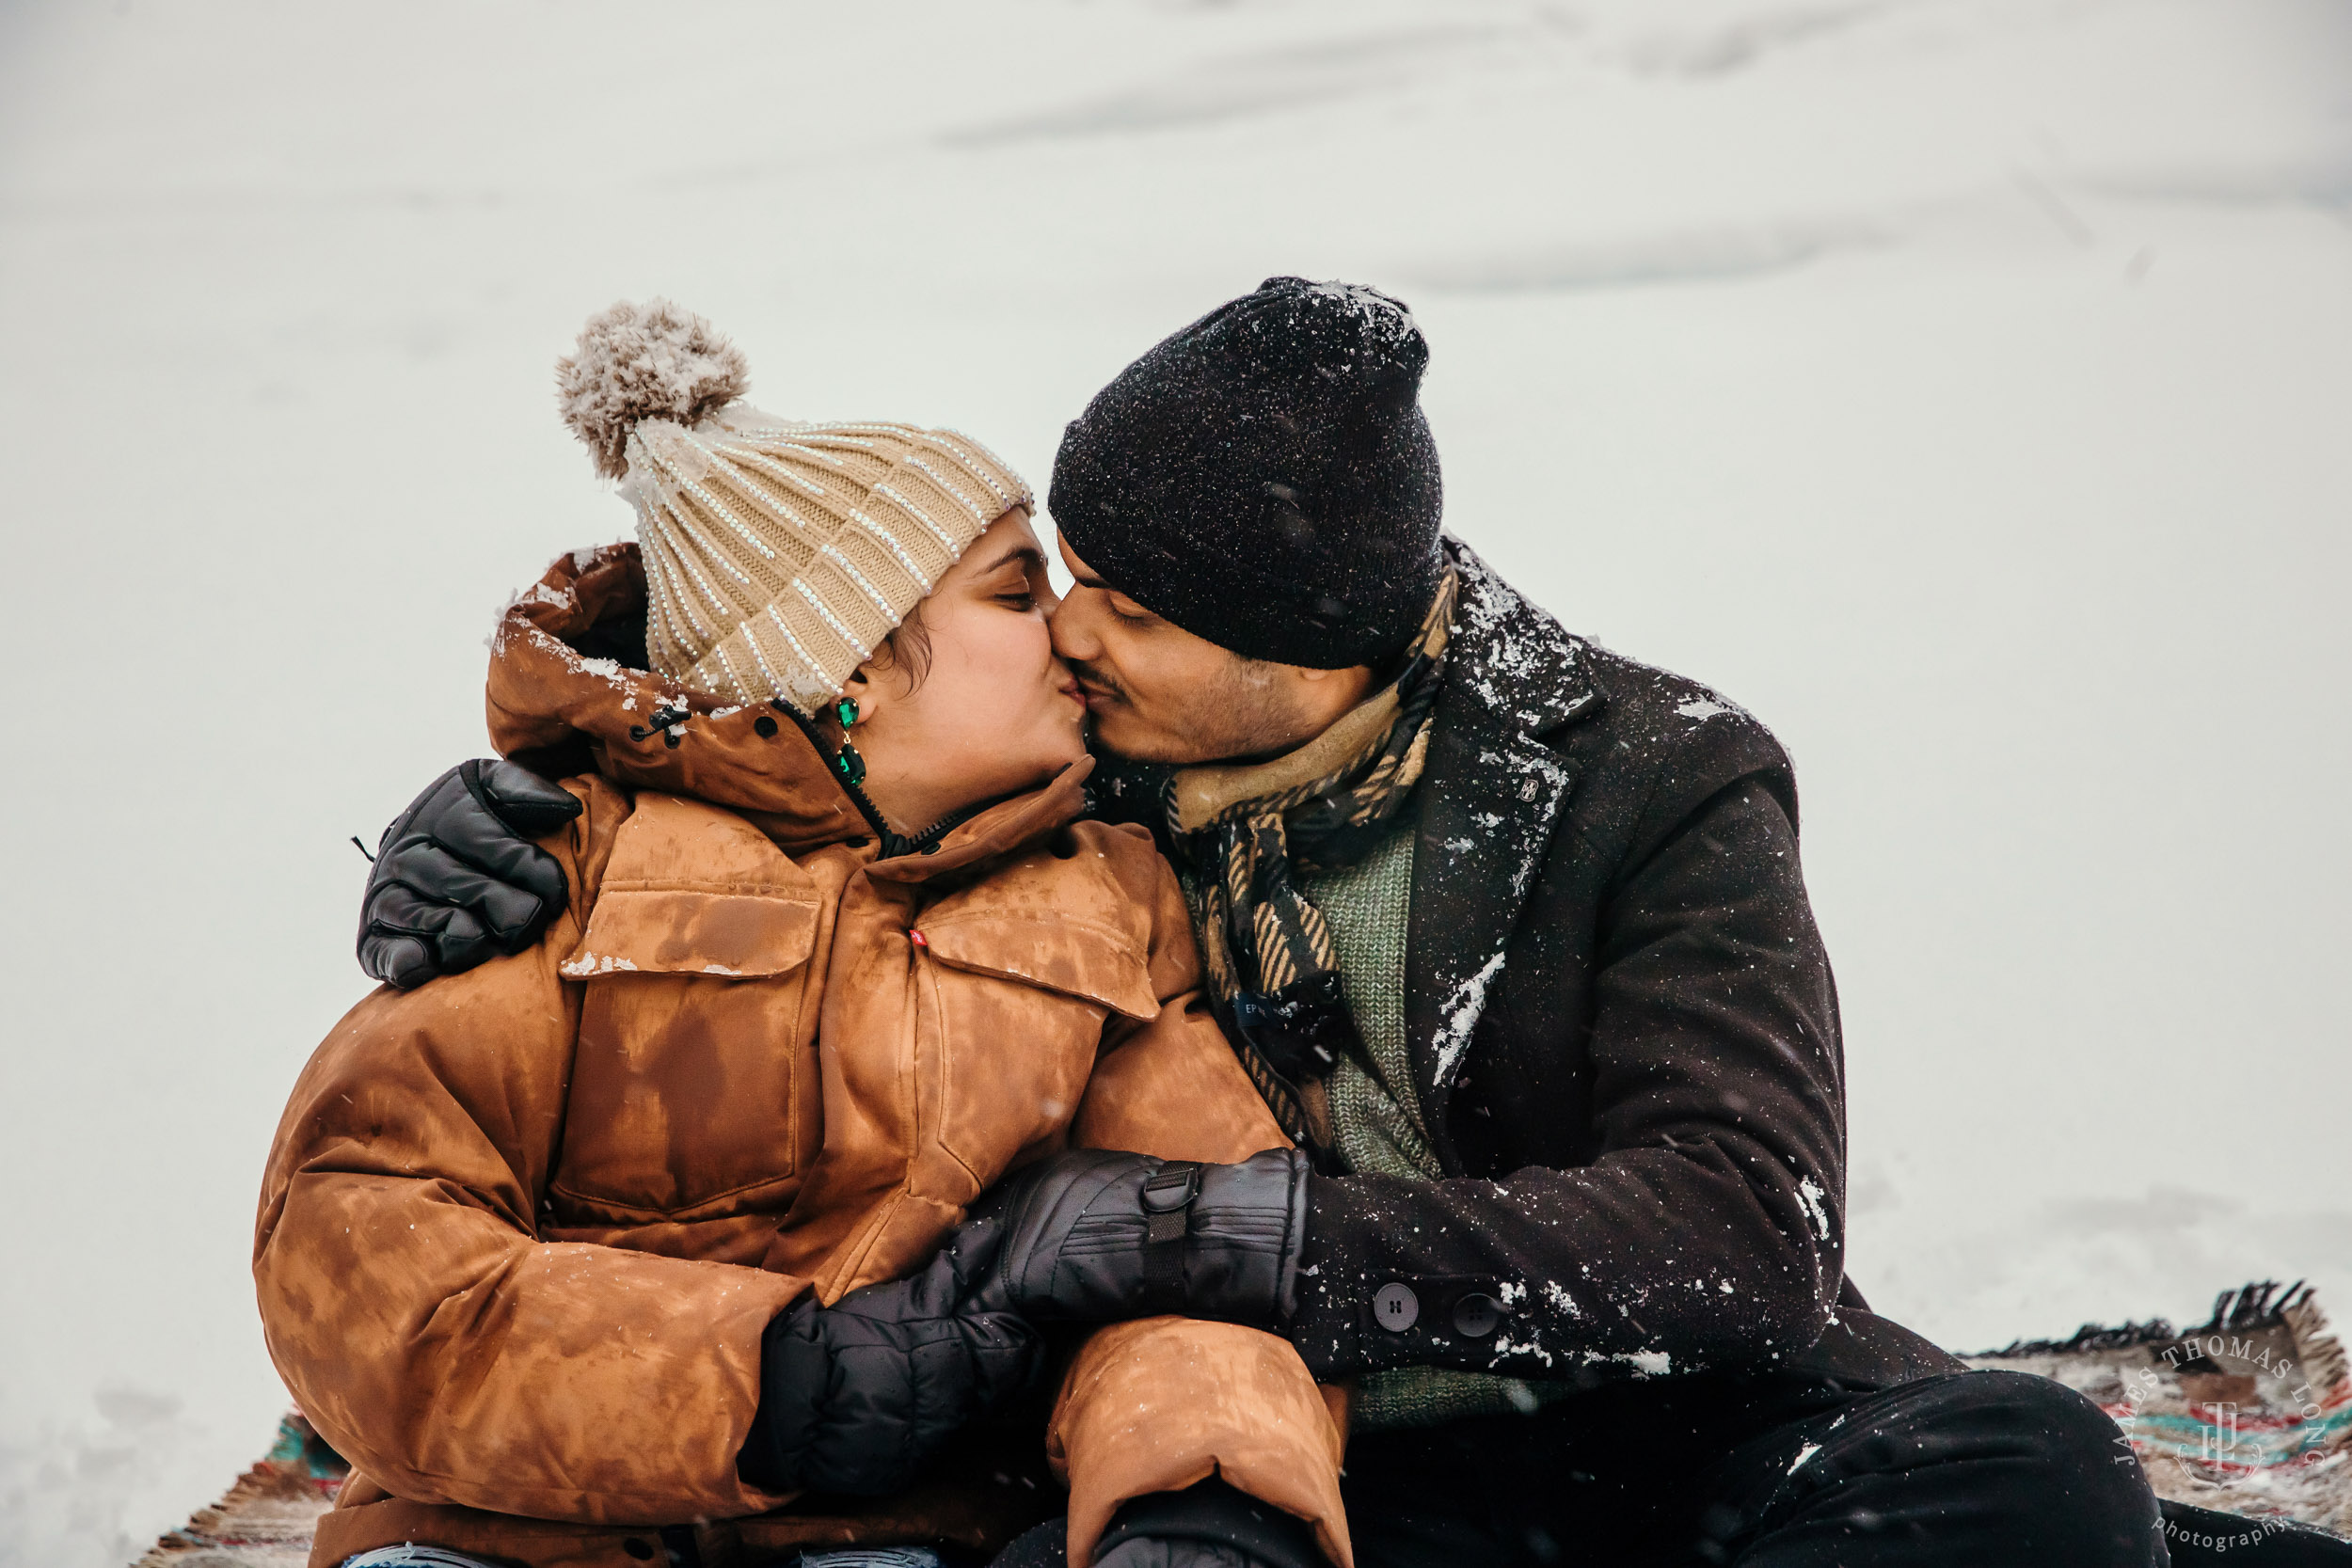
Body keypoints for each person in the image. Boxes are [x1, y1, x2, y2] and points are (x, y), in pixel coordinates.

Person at [368, 281, 2335, 1566]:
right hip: (1298, 1487)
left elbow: (1741, 1236)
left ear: (1304, 652)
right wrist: (490, 823)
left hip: (1673, 1449)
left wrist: (1220, 1231)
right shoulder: (1077, 763)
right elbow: (802, 755)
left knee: (2033, 1485)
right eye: (1064, 575)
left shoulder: (1650, 778)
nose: (1066, 628)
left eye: (1131, 606)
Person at [262, 301, 1351, 1568]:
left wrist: (1198, 1502)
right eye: (1014, 590)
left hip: (883, 1540)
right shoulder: (565, 865)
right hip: (504, 1536)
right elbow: (361, 1242)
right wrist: (775, 1384)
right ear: (853, 666)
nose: (1067, 629)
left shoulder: (1103, 899)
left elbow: (1188, 1240)